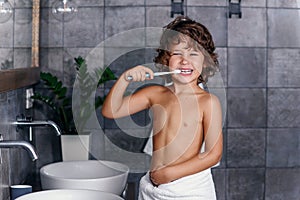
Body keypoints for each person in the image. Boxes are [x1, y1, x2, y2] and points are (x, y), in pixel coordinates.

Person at [102, 15, 223, 200]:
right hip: (152, 189)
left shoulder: (208, 102)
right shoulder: (156, 94)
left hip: (189, 189)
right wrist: (125, 78)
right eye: (177, 54)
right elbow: (111, 110)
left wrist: (170, 173)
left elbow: (213, 155)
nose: (185, 61)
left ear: (205, 62)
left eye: (193, 54)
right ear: (166, 59)